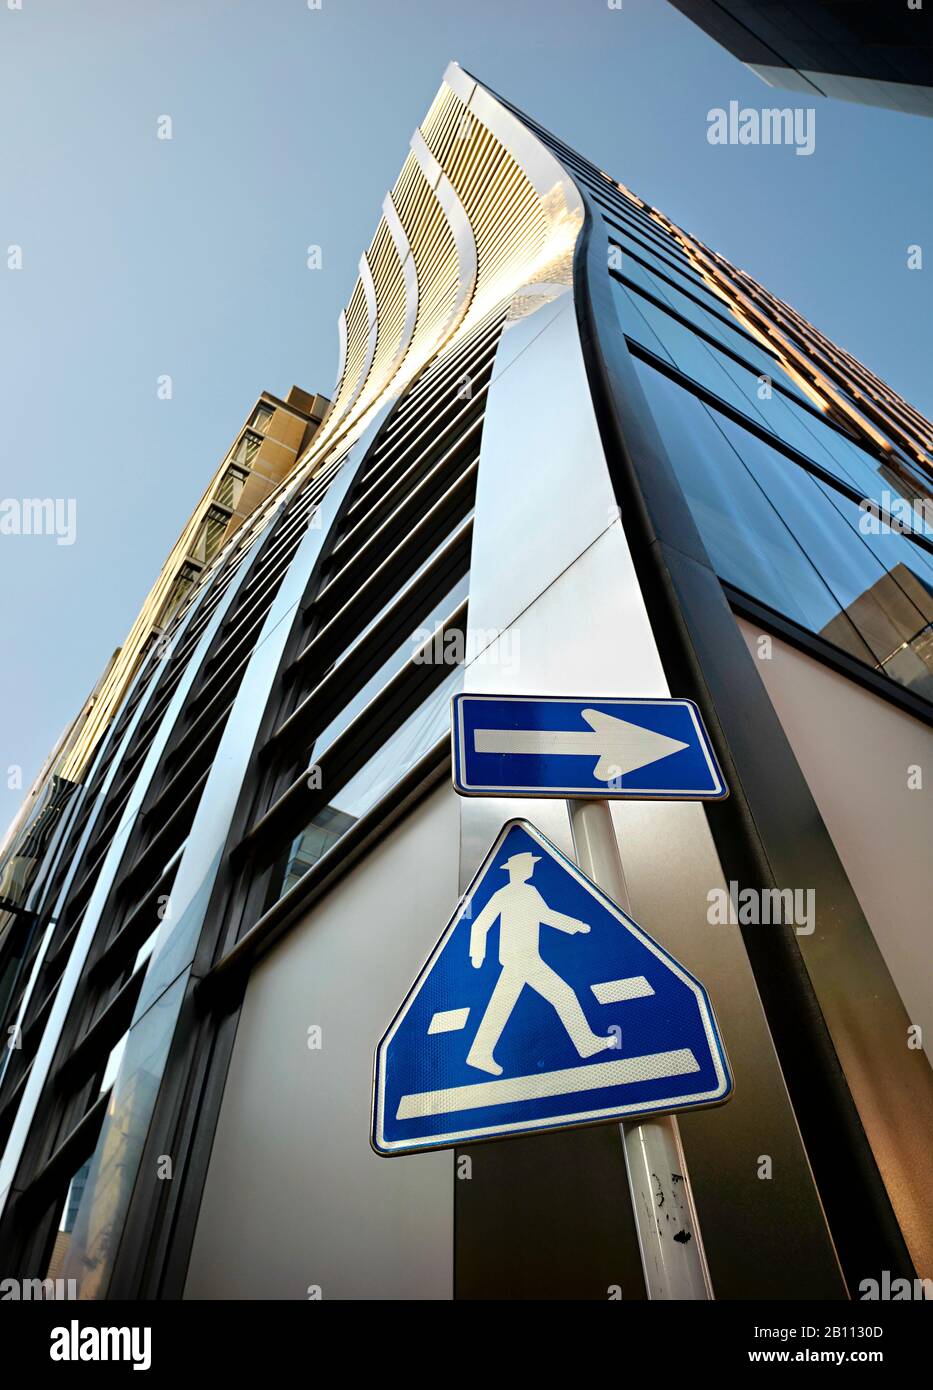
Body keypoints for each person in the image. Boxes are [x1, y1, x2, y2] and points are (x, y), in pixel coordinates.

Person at [465, 849, 615, 1076]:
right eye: (528, 865)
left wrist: (574, 925)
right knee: (563, 995)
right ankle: (586, 1044)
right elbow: (480, 924)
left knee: (502, 1007)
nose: (531, 868)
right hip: (519, 960)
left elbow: (545, 915)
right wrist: (478, 955)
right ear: (518, 869)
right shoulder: (503, 895)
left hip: (526, 958)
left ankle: (479, 1054)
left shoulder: (530, 892)